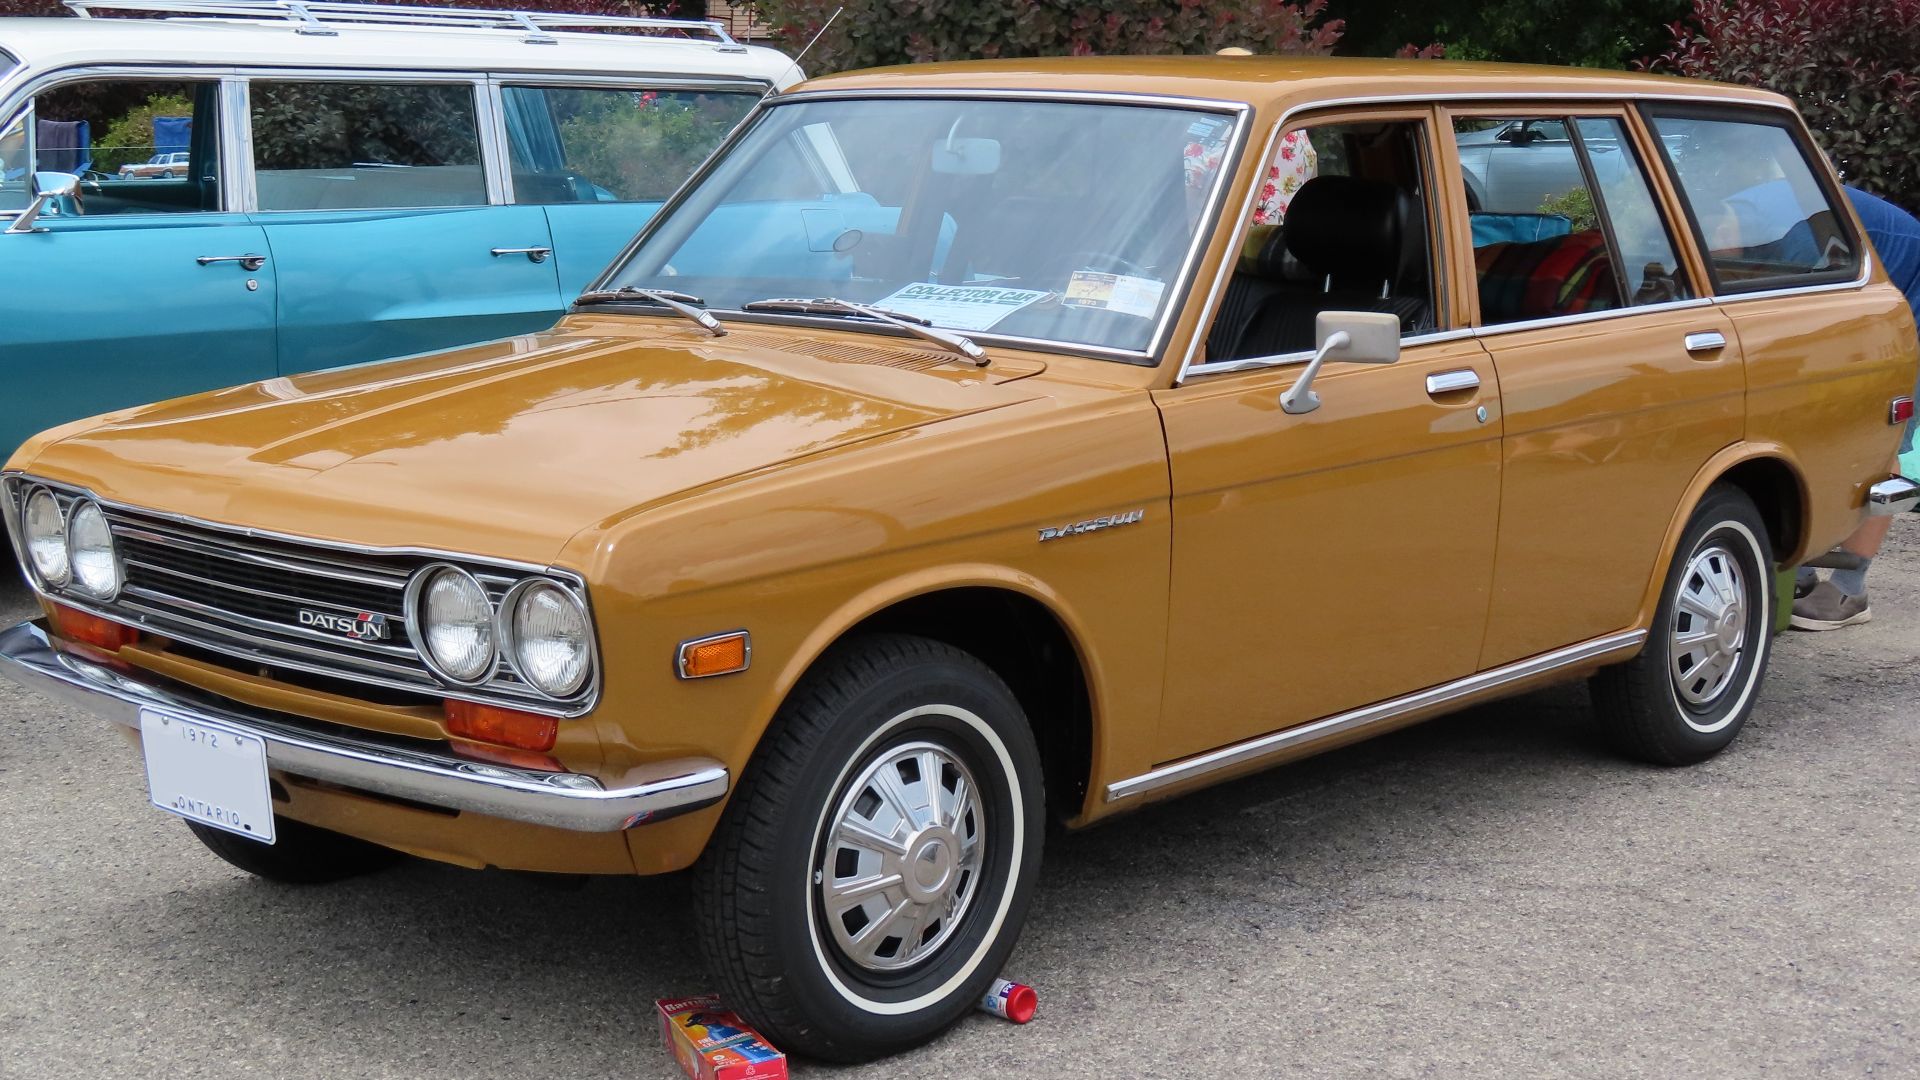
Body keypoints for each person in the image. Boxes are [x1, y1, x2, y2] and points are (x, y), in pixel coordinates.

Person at [1792, 185, 1920, 630]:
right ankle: (1799, 574)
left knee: (1881, 442)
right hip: (1865, 308)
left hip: (1907, 306)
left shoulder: (1782, 229)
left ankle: (1850, 588)